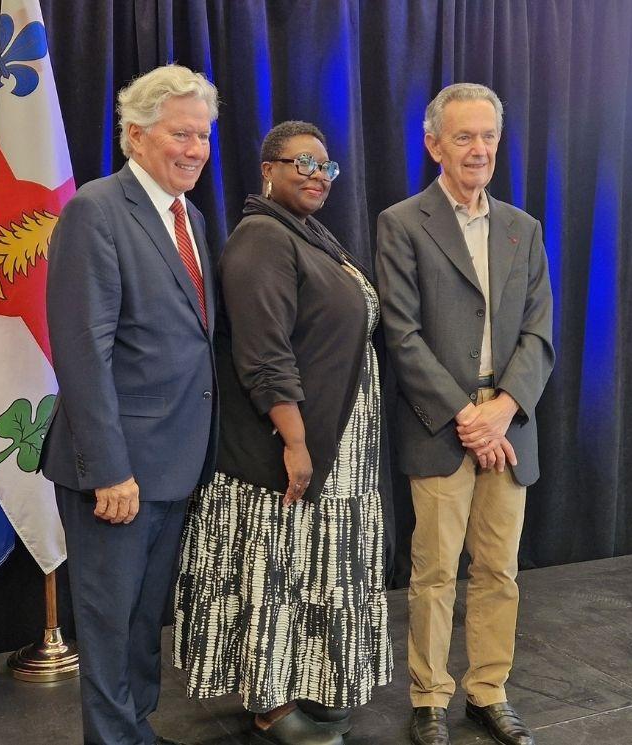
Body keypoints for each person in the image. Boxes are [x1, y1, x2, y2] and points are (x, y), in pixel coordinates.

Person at [174, 121, 392, 745]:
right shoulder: (261, 238)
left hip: (339, 447)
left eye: (327, 166)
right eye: (304, 162)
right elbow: (263, 356)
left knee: (310, 573)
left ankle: (305, 680)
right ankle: (267, 703)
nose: (319, 175)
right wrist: (296, 442)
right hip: (285, 450)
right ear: (268, 167)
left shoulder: (311, 235)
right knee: (275, 574)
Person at [42, 64, 220, 745]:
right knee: (111, 621)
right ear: (135, 135)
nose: (195, 149)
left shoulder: (191, 216)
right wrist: (108, 469)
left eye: (203, 135)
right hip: (117, 470)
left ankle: (136, 729)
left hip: (176, 460)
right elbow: (83, 351)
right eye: (181, 133)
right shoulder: (96, 210)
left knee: (145, 618)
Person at [375, 83, 554, 745]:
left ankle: (488, 691)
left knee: (500, 568)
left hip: (508, 424)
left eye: (487, 136)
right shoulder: (401, 223)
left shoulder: (522, 229)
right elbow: (402, 334)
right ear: (433, 145)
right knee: (434, 570)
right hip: (440, 421)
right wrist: (466, 415)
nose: (478, 149)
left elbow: (539, 334)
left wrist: (503, 408)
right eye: (463, 137)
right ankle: (428, 699)